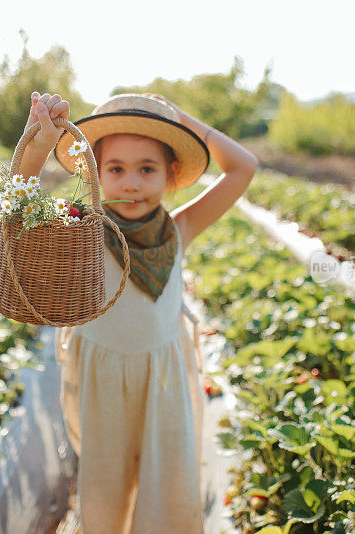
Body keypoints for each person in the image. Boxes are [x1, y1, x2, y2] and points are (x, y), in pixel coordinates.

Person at [18, 91, 258, 533]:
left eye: (147, 169)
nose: (131, 183)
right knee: (106, 490)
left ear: (170, 175)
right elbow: (20, 210)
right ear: (94, 174)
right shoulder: (83, 233)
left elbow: (243, 166)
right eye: (115, 169)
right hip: (102, 380)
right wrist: (36, 147)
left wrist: (177, 120)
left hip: (163, 379)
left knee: (166, 485)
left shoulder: (179, 229)